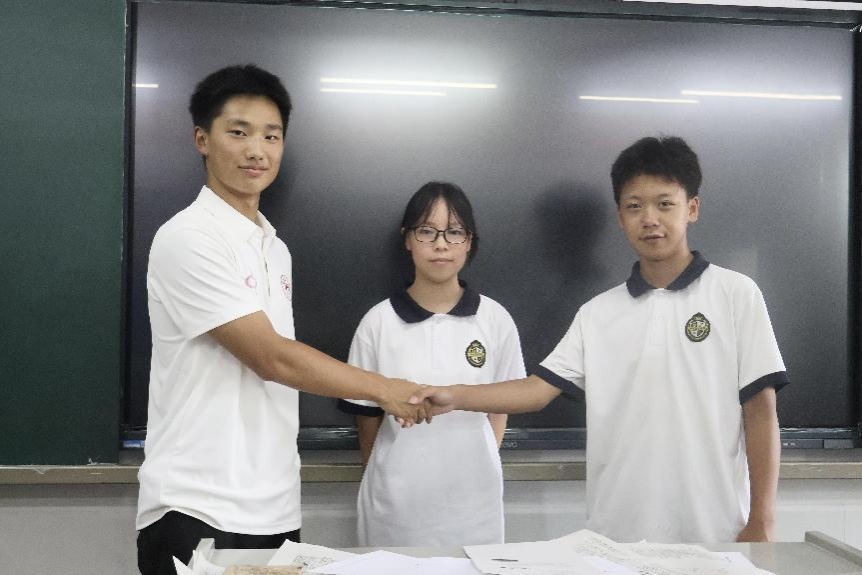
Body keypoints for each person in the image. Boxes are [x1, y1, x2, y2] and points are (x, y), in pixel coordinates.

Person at [410, 136, 789, 544]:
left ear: (691, 208)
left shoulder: (735, 295)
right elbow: (536, 391)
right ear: (620, 217)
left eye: (665, 204)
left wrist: (762, 519)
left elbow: (760, 411)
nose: (649, 219)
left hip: (716, 530)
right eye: (634, 206)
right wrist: (455, 396)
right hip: (615, 537)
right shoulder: (598, 313)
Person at [136, 64, 424, 575]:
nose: (257, 150)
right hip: (196, 507)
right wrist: (384, 389)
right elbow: (271, 358)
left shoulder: (274, 248)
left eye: (271, 136)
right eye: (238, 132)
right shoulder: (189, 237)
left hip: (275, 507)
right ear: (202, 139)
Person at [338, 182, 525, 547]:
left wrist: (479, 461)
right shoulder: (378, 322)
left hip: (475, 506)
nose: (441, 244)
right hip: (395, 508)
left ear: (469, 241)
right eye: (427, 231)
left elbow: (503, 404)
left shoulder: (495, 319)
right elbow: (367, 420)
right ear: (407, 239)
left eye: (454, 232)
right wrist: (390, 475)